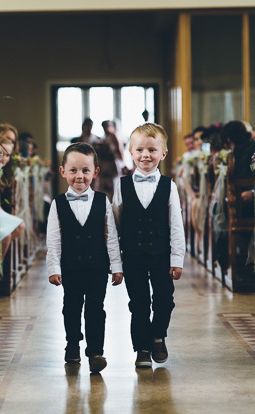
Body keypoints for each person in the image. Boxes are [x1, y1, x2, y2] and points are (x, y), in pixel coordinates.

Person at [112, 122, 185, 368]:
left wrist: (177, 259)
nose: (146, 155)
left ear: (163, 154)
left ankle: (158, 335)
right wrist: (115, 262)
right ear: (131, 153)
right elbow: (115, 226)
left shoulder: (169, 186)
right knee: (139, 303)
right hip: (132, 256)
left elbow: (176, 224)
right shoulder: (121, 186)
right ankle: (142, 348)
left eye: (152, 150)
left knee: (165, 300)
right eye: (140, 150)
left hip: (161, 255)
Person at [47, 142, 123, 374]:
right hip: (70, 267)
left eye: (85, 170)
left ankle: (96, 352)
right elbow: (53, 239)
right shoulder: (57, 203)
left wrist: (116, 266)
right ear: (63, 172)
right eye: (73, 170)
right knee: (71, 306)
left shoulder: (103, 201)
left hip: (97, 267)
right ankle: (72, 344)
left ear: (95, 172)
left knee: (95, 309)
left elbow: (111, 236)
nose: (79, 176)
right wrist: (53, 267)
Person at [0, 123, 26, 256]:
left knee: (20, 225)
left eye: (8, 155)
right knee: (7, 236)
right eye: (1, 154)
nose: (4, 158)